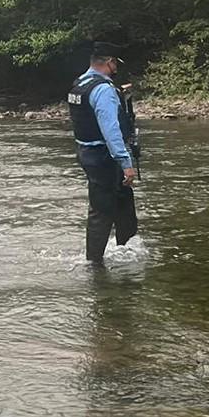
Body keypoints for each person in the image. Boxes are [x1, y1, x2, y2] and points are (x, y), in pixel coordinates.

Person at [67, 41, 139, 264]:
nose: (117, 67)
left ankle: (126, 248)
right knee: (102, 210)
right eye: (115, 62)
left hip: (86, 152)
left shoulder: (79, 83)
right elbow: (111, 130)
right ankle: (94, 264)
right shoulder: (103, 90)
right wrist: (126, 162)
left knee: (123, 200)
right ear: (109, 62)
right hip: (104, 156)